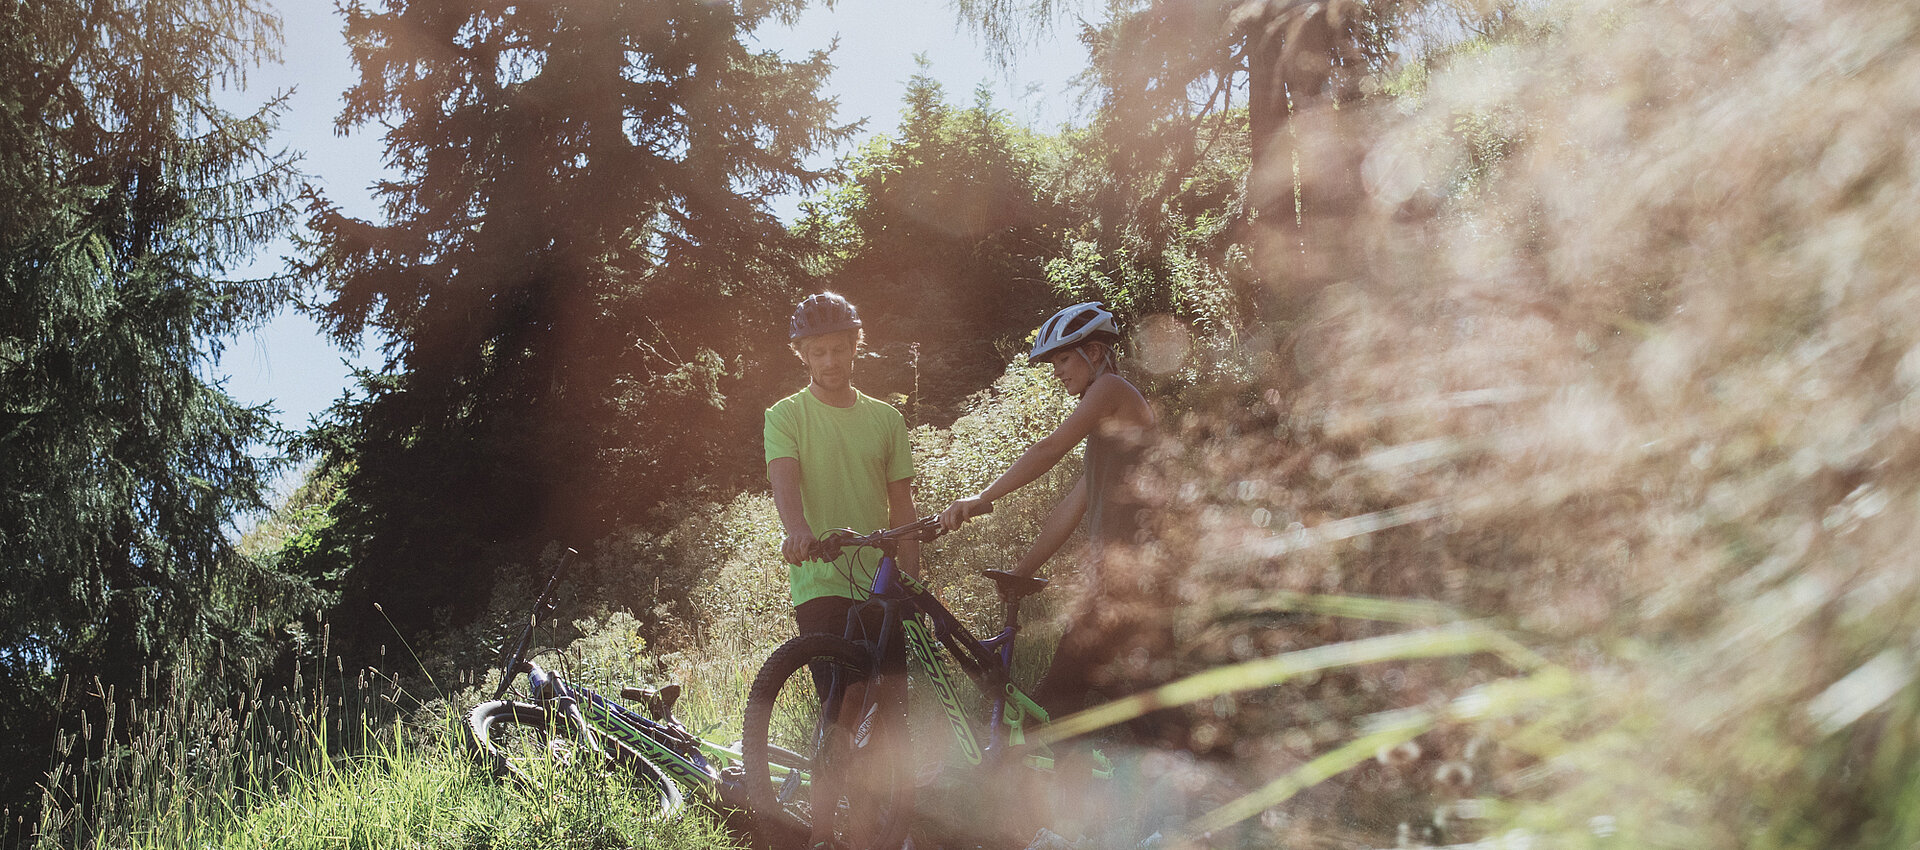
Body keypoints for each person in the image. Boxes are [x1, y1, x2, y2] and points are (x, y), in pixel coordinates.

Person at [938, 301, 1155, 720]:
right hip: (1118, 576)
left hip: (1133, 573)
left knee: (1061, 695)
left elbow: (1048, 449)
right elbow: (1072, 508)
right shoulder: (1107, 434)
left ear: (1093, 353)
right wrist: (1023, 569)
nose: (1057, 371)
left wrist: (983, 497)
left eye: (1062, 359)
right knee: (1114, 695)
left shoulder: (1110, 390)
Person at [764, 291, 920, 642]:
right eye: (818, 352)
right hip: (821, 580)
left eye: (838, 349)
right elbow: (784, 481)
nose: (830, 361)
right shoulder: (784, 415)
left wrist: (911, 580)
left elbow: (902, 506)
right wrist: (798, 530)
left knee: (892, 694)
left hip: (882, 579)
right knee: (848, 697)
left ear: (854, 347)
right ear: (803, 355)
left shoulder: (887, 418)